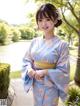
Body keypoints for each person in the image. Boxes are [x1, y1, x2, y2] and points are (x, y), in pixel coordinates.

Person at [22, 3, 70, 106]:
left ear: (55, 20)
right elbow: (27, 60)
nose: (44, 23)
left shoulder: (62, 45)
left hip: (51, 86)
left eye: (47, 19)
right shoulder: (34, 42)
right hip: (36, 84)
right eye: (40, 20)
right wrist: (29, 69)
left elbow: (64, 71)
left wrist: (45, 71)